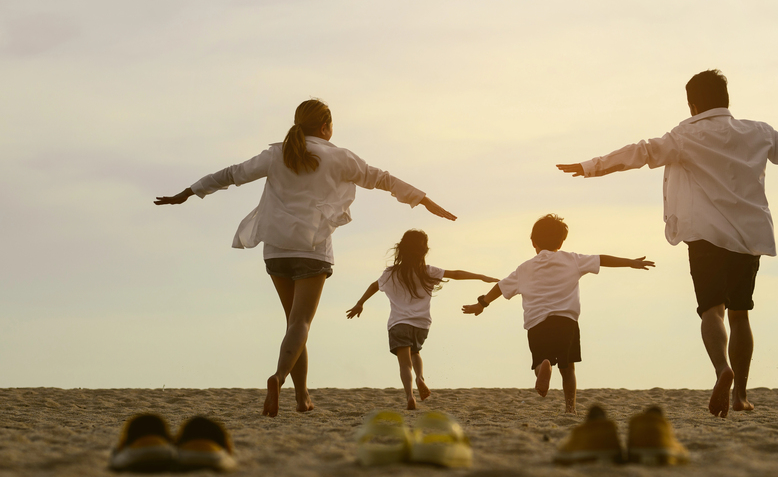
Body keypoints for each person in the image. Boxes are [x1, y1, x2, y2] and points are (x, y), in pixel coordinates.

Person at [557, 70, 778, 417]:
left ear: (692, 104)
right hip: (749, 236)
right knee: (741, 314)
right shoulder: (759, 132)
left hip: (705, 236)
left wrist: (590, 166)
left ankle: (722, 370)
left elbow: (640, 152)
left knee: (711, 310)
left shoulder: (683, 136)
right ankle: (741, 395)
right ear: (726, 99)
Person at [154, 99, 456, 417]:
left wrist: (188, 192)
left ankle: (302, 398)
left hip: (276, 251)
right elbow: (382, 179)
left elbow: (231, 174)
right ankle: (278, 377)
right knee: (301, 324)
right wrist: (423, 200)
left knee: (293, 326)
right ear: (326, 127)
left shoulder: (276, 153)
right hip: (312, 251)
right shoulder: (339, 156)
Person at [462, 214, 654, 414]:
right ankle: (570, 408)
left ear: (533, 242)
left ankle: (543, 366)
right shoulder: (572, 260)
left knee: (539, 360)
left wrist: (482, 304)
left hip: (537, 323)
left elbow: (500, 287)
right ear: (561, 242)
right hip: (566, 322)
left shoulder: (524, 268)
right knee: (568, 367)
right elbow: (601, 259)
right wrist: (630, 262)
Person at [346, 229, 498, 410]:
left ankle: (410, 396)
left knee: (404, 363)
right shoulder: (428, 271)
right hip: (421, 323)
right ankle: (420, 377)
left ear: (401, 249)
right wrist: (481, 277)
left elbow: (373, 286)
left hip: (398, 323)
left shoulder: (390, 273)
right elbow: (456, 274)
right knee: (415, 352)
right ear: (424, 250)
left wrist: (360, 303)